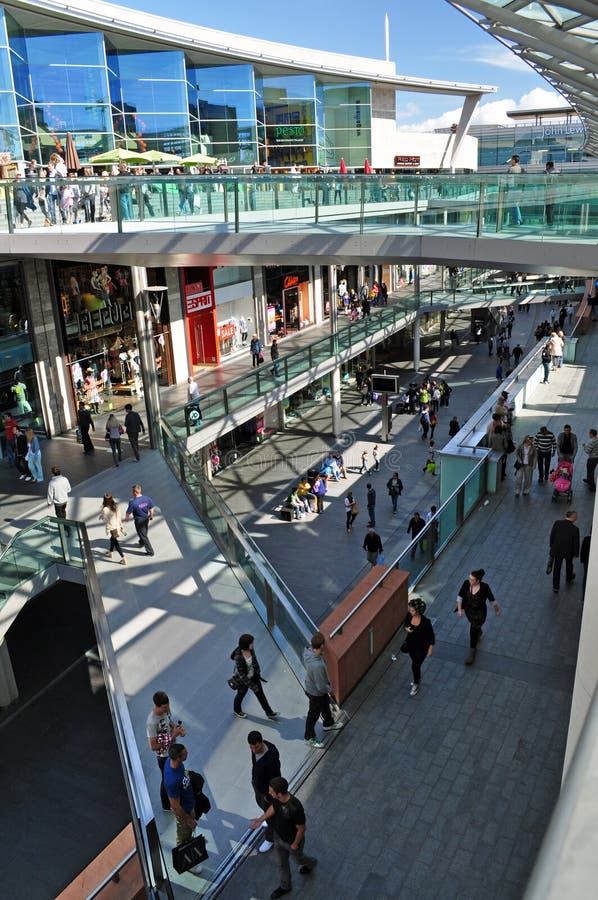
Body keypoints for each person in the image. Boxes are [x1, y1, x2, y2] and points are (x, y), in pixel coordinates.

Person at [249, 776, 317, 898]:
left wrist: (295, 845)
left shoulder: (295, 808)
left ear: (279, 793)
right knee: (282, 864)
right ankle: (285, 886)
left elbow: (301, 828)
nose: (269, 793)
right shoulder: (276, 799)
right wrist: (261, 819)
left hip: (292, 842)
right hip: (278, 837)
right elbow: (273, 808)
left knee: (298, 860)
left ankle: (311, 863)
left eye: (271, 791)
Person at [163, 744, 203, 875]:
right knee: (183, 837)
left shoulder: (171, 761)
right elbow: (175, 805)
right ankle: (186, 862)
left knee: (187, 834)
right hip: (184, 810)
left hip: (189, 803)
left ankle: (188, 844)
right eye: (185, 753)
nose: (188, 753)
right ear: (179, 757)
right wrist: (188, 820)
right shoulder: (172, 780)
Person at [146, 690, 186, 811]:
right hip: (164, 756)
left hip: (172, 750)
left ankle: (176, 798)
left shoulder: (166, 711)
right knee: (166, 780)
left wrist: (177, 729)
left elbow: (169, 722)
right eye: (164, 707)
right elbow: (153, 746)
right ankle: (166, 805)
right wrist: (172, 736)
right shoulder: (151, 722)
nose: (167, 709)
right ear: (156, 706)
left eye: (168, 705)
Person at [303, 631, 343, 749]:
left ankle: (329, 723)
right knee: (313, 714)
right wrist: (329, 688)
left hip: (312, 687)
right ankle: (309, 737)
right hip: (316, 692)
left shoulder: (308, 653)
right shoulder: (317, 666)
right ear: (321, 646)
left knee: (325, 705)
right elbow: (321, 686)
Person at [456, 569, 500, 666]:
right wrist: (459, 609)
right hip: (469, 611)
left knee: (472, 630)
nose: (469, 581)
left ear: (478, 580)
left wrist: (496, 610)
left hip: (479, 614)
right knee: (475, 628)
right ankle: (478, 631)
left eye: (472, 579)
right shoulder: (466, 584)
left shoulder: (485, 587)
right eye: (469, 578)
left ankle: (472, 652)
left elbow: (492, 600)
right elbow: (460, 597)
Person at [247, 730, 281, 854]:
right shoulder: (255, 750)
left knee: (270, 814)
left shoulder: (271, 758)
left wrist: (268, 796)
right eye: (251, 748)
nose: (254, 750)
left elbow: (276, 778)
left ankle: (269, 838)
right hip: (258, 787)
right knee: (264, 808)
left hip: (267, 793)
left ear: (262, 742)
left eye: (256, 747)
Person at [230, 633, 279, 720]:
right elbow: (242, 675)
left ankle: (269, 712)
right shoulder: (239, 657)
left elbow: (254, 661)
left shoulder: (251, 650)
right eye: (251, 643)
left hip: (253, 676)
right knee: (240, 695)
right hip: (243, 681)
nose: (253, 645)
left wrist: (257, 671)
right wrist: (252, 686)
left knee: (261, 695)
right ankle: (237, 710)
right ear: (246, 645)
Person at [401, 597, 435, 697]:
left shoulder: (425, 622)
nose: (410, 611)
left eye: (412, 610)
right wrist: (406, 629)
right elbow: (405, 624)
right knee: (415, 663)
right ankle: (418, 677)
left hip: (422, 647)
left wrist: (430, 648)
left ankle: (416, 683)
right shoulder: (409, 616)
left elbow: (431, 635)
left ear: (417, 611)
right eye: (410, 609)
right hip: (411, 645)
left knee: (415, 665)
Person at [549, 510, 580, 593]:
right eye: (576, 517)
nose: (576, 519)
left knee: (557, 568)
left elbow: (552, 535)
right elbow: (576, 543)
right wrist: (576, 553)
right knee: (569, 565)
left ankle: (556, 587)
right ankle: (569, 578)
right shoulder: (575, 529)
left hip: (558, 550)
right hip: (568, 552)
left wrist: (552, 546)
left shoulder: (557, 523)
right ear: (572, 517)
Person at [125, 483, 155, 556]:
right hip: (146, 519)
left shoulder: (132, 502)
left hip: (139, 521)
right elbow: (151, 508)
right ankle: (141, 543)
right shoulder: (147, 498)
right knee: (143, 532)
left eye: (132, 491)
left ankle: (150, 552)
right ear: (140, 490)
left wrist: (126, 519)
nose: (132, 493)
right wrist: (151, 516)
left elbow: (128, 513)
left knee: (143, 535)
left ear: (135, 492)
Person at [99, 492, 127, 564]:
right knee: (112, 539)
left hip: (112, 528)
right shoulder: (115, 506)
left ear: (104, 500)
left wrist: (101, 515)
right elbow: (119, 517)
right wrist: (121, 525)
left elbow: (105, 520)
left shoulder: (105, 509)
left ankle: (123, 558)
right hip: (117, 526)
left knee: (116, 543)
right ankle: (110, 553)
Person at [507, 154, 524, 225]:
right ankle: (519, 219)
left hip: (512, 189)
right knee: (516, 204)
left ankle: (516, 221)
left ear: (514, 160)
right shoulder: (521, 168)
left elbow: (507, 179)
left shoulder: (511, 169)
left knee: (513, 205)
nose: (511, 161)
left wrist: (507, 188)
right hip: (519, 189)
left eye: (511, 160)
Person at [580, 529, 591, 596]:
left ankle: (584, 596)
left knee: (586, 577)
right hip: (588, 561)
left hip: (586, 561)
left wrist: (582, 560)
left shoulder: (586, 539)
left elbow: (583, 550)